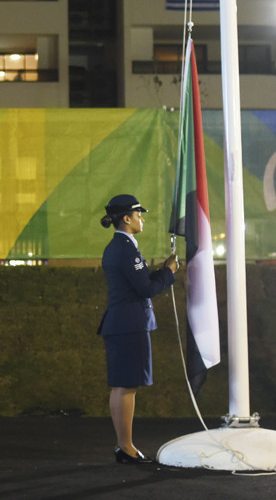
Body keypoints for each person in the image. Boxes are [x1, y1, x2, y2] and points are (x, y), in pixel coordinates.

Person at [97, 194, 178, 465]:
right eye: (138, 214)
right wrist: (168, 273)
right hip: (129, 324)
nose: (142, 218)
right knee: (126, 387)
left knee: (122, 386)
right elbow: (145, 289)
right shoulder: (125, 248)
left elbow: (139, 280)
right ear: (126, 219)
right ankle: (126, 448)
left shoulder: (120, 246)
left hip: (123, 323)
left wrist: (163, 271)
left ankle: (124, 446)